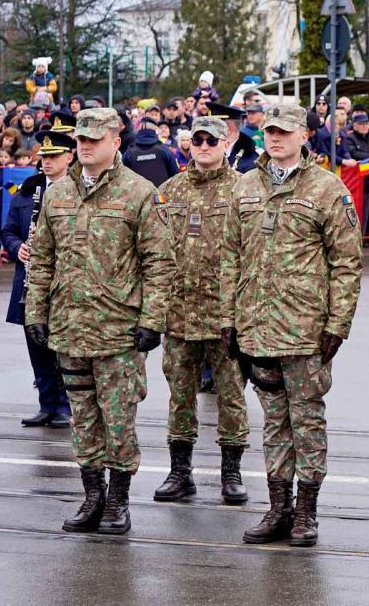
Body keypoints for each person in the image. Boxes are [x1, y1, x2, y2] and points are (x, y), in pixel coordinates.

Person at [24, 107, 177, 535]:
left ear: (115, 142)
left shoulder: (139, 193)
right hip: (70, 328)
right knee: (83, 419)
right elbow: (42, 261)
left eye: (94, 139)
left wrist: (152, 320)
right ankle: (92, 496)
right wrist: (36, 312)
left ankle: (118, 501)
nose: (86, 146)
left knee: (118, 419)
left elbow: (160, 263)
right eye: (81, 140)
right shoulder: (57, 194)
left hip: (118, 332)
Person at [220, 104, 361, 547]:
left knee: (307, 421)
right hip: (257, 326)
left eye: (284, 131)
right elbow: (229, 256)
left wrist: (338, 324)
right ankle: (279, 507)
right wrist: (227, 318)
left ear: (304, 135)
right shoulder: (246, 185)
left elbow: (346, 262)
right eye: (269, 131)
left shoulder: (327, 188)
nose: (275, 138)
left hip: (305, 328)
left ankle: (306, 511)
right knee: (273, 422)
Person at [152, 116, 250, 506]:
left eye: (212, 140)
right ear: (189, 144)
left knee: (231, 395)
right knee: (180, 395)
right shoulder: (169, 190)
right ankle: (180, 473)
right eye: (198, 140)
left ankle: (231, 473)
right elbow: (154, 251)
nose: (204, 147)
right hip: (179, 313)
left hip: (226, 315)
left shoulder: (244, 189)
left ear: (226, 143)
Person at [1, 123, 76, 428]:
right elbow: (8, 230)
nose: (47, 161)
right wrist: (17, 247)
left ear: (69, 157)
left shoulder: (80, 189)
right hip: (29, 282)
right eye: (44, 156)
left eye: (54, 156)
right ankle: (47, 404)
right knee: (37, 346)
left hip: (62, 281)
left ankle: (66, 406)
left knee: (62, 348)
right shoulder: (29, 189)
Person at [122, 116, 180, 187]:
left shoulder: (129, 152)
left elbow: (123, 177)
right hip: (161, 193)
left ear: (138, 131)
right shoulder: (164, 149)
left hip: (138, 193)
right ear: (156, 131)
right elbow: (175, 175)